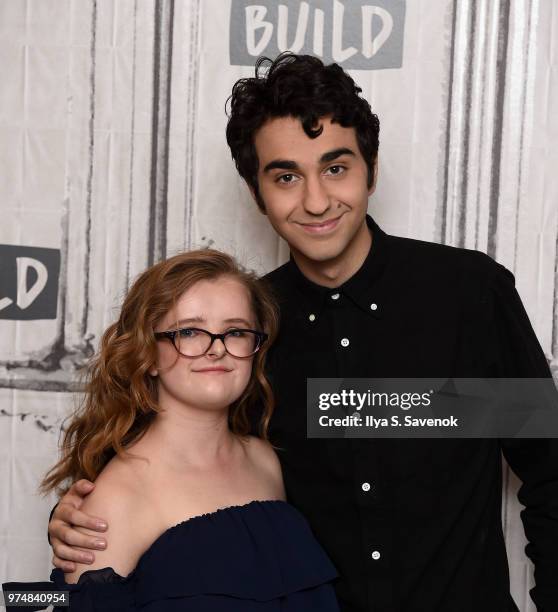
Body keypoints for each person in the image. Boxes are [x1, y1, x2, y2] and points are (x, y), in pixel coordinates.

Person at [47, 54, 558, 611]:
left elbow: (550, 470)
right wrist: (87, 517)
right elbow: (184, 456)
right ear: (256, 192)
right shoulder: (247, 327)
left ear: (372, 168)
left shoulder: (466, 294)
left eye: (336, 168)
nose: (316, 201)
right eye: (286, 176)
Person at [3, 249, 340, 611]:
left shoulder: (264, 460)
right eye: (190, 331)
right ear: (147, 355)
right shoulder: (117, 499)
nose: (216, 349)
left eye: (235, 331)